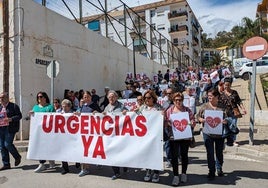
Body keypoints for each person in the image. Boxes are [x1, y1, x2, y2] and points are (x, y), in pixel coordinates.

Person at [164, 92, 196, 186]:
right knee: (174, 157)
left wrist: (192, 123)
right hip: (173, 137)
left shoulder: (187, 110)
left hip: (185, 136)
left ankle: (184, 173)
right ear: (173, 101)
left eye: (180, 100)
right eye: (176, 100)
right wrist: (167, 123)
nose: (178, 101)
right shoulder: (169, 111)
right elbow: (165, 122)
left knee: (184, 155)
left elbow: (193, 119)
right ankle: (175, 175)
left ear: (182, 100)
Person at [196, 88, 227, 180]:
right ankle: (211, 171)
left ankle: (219, 167)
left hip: (219, 134)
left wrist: (225, 121)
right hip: (207, 133)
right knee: (210, 153)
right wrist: (200, 119)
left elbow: (228, 117)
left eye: (211, 96)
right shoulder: (204, 106)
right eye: (208, 96)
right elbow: (197, 116)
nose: (209, 97)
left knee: (219, 152)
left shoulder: (222, 107)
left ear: (217, 96)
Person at [103, 90, 128, 180]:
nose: (111, 98)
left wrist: (126, 112)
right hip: (111, 135)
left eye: (113, 96)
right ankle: (116, 172)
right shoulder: (107, 107)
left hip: (120, 134)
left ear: (116, 97)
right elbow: (103, 117)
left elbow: (129, 116)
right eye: (109, 97)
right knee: (112, 153)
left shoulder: (121, 106)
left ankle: (125, 166)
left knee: (121, 153)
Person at [75, 91, 102, 177]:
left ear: (90, 97)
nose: (86, 98)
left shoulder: (95, 105)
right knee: (84, 150)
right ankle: (85, 169)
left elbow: (102, 116)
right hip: (84, 131)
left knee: (94, 148)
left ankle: (98, 161)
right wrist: (77, 113)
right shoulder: (83, 106)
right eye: (84, 97)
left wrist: (97, 113)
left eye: (87, 97)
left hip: (94, 131)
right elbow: (79, 114)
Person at [29, 91, 55, 173]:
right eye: (38, 97)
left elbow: (54, 118)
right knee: (40, 147)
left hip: (48, 131)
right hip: (38, 132)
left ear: (45, 97)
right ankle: (42, 164)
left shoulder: (50, 107)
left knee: (48, 146)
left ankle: (51, 159)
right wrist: (31, 114)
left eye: (41, 96)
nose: (39, 98)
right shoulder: (35, 107)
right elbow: (33, 119)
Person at [141, 90, 163, 183]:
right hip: (145, 135)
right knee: (147, 154)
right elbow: (134, 117)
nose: (147, 99)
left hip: (156, 135)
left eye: (149, 97)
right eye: (145, 98)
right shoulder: (142, 107)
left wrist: (163, 115)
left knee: (155, 154)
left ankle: (156, 172)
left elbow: (162, 119)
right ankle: (148, 171)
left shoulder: (158, 107)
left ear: (153, 98)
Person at [219, 77, 246, 146]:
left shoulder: (234, 92)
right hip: (225, 113)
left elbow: (239, 101)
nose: (226, 86)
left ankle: (233, 140)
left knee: (233, 127)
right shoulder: (221, 94)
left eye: (228, 85)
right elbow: (219, 105)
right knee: (225, 127)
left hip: (234, 112)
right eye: (225, 85)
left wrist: (243, 109)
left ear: (230, 85)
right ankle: (225, 140)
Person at [0, 92, 22, 170]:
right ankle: (6, 164)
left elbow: (19, 116)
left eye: (3, 97)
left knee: (7, 144)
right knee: (2, 147)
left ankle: (17, 156)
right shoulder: (0, 107)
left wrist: (11, 119)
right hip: (1, 129)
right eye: (0, 97)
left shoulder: (13, 106)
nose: (1, 99)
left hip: (10, 128)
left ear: (7, 98)